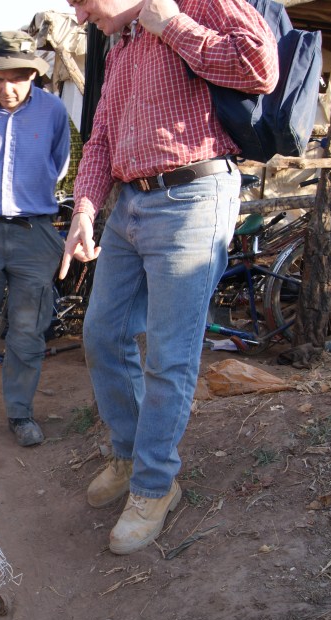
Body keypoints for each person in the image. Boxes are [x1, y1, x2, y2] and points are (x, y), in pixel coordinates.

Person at [60, 0, 277, 554]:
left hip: (193, 197)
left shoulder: (190, 4)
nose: (79, 17)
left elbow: (260, 65)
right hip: (129, 204)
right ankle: (130, 455)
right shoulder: (121, 43)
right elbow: (101, 137)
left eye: (80, 1)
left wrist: (173, 25)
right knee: (102, 335)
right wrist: (85, 210)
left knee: (169, 355)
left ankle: (155, 486)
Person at [0, 31, 71, 448]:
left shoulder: (54, 111)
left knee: (28, 329)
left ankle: (20, 412)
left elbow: (58, 163)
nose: (8, 88)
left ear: (33, 75)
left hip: (34, 234)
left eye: (18, 78)